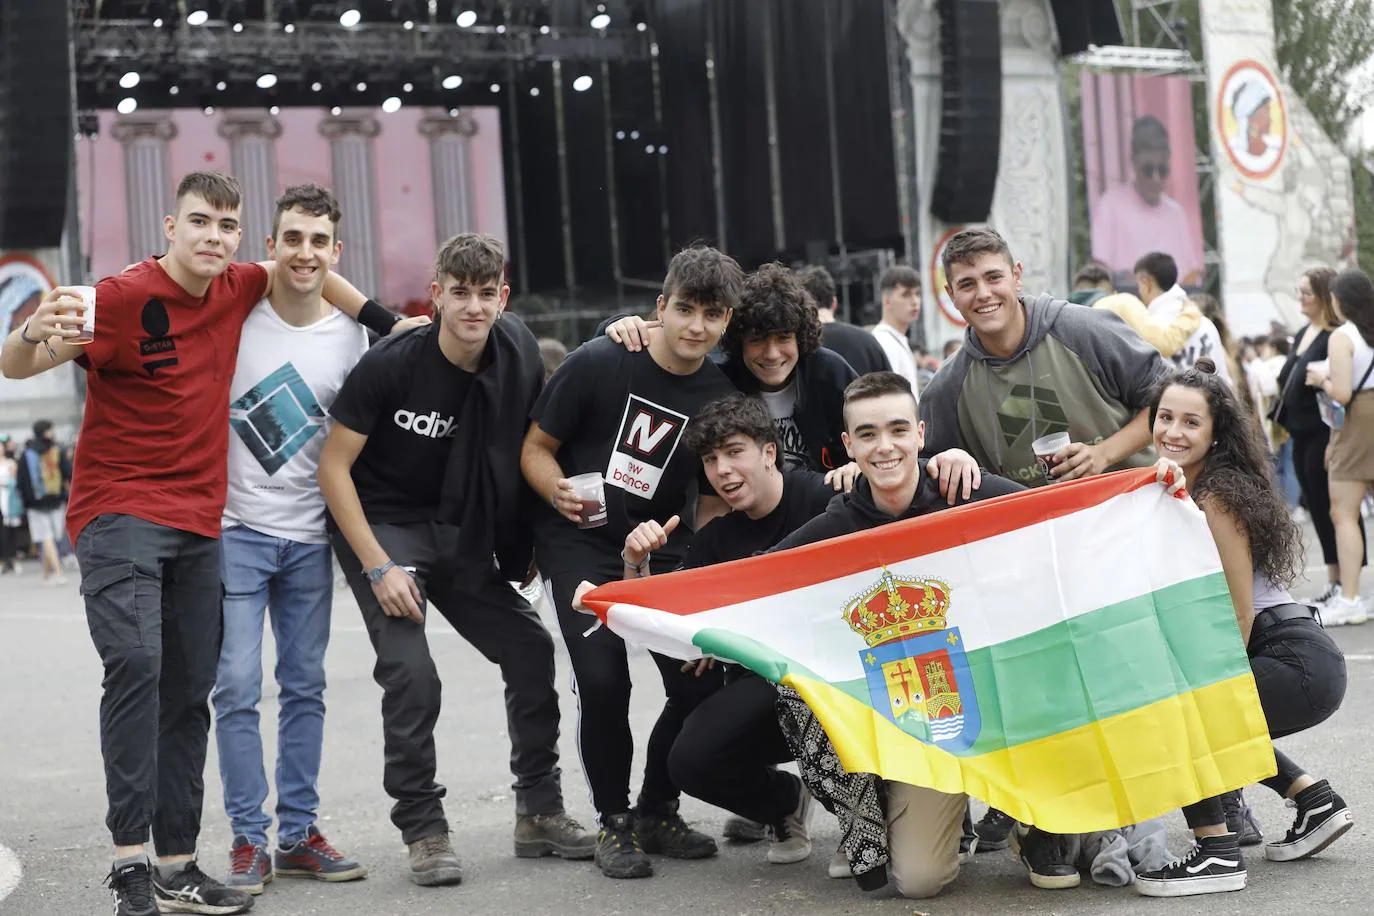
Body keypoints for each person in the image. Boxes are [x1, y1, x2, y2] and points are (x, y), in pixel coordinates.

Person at [0, 170, 401, 916]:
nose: (213, 236)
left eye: (226, 224)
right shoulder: (119, 299)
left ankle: (179, 864)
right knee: (138, 665)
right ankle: (129, 866)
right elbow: (16, 365)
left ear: (239, 236)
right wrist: (29, 330)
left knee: (190, 694)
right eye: (200, 222)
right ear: (169, 226)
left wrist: (388, 321)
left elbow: (311, 273)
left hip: (197, 524)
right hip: (118, 511)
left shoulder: (238, 283)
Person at [318, 233, 591, 887]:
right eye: (459, 293)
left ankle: (539, 811)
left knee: (529, 649)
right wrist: (378, 565)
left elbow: (531, 444)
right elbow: (333, 468)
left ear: (504, 296)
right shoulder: (392, 363)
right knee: (413, 674)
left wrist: (523, 543)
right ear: (436, 295)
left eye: (486, 293)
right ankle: (424, 830)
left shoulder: (518, 348)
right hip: (387, 528)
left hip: (461, 530)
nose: (473, 307)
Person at [766, 372, 1080, 897]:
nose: (884, 446)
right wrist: (633, 582)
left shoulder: (965, 488)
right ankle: (929, 815)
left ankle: (1032, 820)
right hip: (923, 722)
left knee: (1057, 654)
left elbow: (1056, 521)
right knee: (919, 881)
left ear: (920, 433)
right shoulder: (837, 524)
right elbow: (753, 582)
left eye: (896, 430)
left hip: (1006, 697)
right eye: (866, 434)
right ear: (848, 445)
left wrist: (1152, 484)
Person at [215, 184, 418, 894]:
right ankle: (248, 839)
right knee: (236, 687)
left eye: (317, 241)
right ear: (269, 247)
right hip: (234, 531)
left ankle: (298, 833)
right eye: (291, 239)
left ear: (337, 252)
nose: (304, 252)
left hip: (309, 539)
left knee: (304, 688)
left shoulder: (357, 337)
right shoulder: (233, 311)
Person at [520, 245, 741, 880]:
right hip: (580, 545)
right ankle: (613, 823)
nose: (696, 326)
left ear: (726, 322)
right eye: (685, 309)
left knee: (696, 682)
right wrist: (553, 487)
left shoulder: (719, 392)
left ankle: (656, 809)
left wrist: (705, 576)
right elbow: (536, 448)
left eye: (712, 314)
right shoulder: (600, 361)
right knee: (603, 680)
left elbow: (710, 501)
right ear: (660, 307)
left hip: (665, 552)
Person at [1135, 359, 1353, 896]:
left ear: (1215, 433)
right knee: (1210, 717)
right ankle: (1312, 799)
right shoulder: (1183, 489)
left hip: (1291, 655)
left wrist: (1204, 686)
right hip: (1294, 652)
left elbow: (1238, 611)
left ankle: (1215, 852)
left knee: (1182, 713)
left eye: (1191, 423)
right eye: (1165, 418)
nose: (1173, 432)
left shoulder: (1217, 498)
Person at [920, 227, 1170, 489]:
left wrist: (1102, 454)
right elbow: (924, 474)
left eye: (993, 277)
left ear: (1016, 276)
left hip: (1134, 508)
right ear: (952, 295)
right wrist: (948, 460)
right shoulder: (946, 388)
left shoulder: (1082, 330)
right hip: (1040, 528)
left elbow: (1169, 401)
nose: (983, 293)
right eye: (967, 284)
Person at [604, 263, 861, 478]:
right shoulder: (722, 383)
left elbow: (875, 429)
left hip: (830, 510)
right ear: (739, 342)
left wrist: (857, 467)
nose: (772, 354)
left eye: (783, 338)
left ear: (800, 339)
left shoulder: (829, 373)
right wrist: (616, 325)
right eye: (758, 340)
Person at [1271, 268, 1349, 612]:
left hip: (1322, 432)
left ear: (1323, 296)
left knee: (1333, 507)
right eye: (1298, 291)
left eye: (1307, 292)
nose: (1300, 297)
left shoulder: (1335, 334)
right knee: (1317, 507)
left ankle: (1345, 583)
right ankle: (1335, 580)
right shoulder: (1305, 331)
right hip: (1299, 432)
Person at [1305, 268, 1374, 620]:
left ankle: (1350, 599)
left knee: (1343, 512)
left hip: (1359, 419)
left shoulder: (1343, 336)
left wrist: (1322, 379)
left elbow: (1343, 394)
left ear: (1339, 300)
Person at [1090, 115, 1204, 286]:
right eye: (1149, 170)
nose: (1156, 179)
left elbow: (1191, 275)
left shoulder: (1176, 214)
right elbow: (1099, 272)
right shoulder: (1111, 205)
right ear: (1134, 162)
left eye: (1163, 169)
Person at [1133, 251, 1232, 385]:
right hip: (1210, 402)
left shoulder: (1151, 328)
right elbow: (1225, 381)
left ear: (1147, 283)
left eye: (1139, 285)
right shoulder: (1206, 324)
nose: (1139, 291)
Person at [1068, 260, 1203, 357]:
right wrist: (1191, 313)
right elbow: (1163, 344)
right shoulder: (1120, 302)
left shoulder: (1059, 318)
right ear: (1113, 291)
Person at [796, 264, 891, 376]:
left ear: (799, 305)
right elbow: (893, 389)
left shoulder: (797, 347)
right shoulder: (868, 341)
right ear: (834, 302)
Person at [15, 418, 69, 585]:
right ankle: (58, 573)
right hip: (55, 499)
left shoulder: (27, 452)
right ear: (46, 431)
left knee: (46, 537)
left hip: (35, 503)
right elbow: (68, 472)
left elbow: (21, 480)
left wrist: (25, 502)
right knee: (52, 537)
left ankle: (47, 573)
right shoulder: (56, 449)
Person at [871, 265, 921, 391]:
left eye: (917, 293)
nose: (915, 301)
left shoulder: (894, 339)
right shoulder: (884, 341)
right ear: (887, 301)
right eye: (906, 294)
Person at [0, 436, 22, 573]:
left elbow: (16, 481)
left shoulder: (10, 463)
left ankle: (13, 560)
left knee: (11, 531)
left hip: (9, 499)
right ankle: (3, 561)